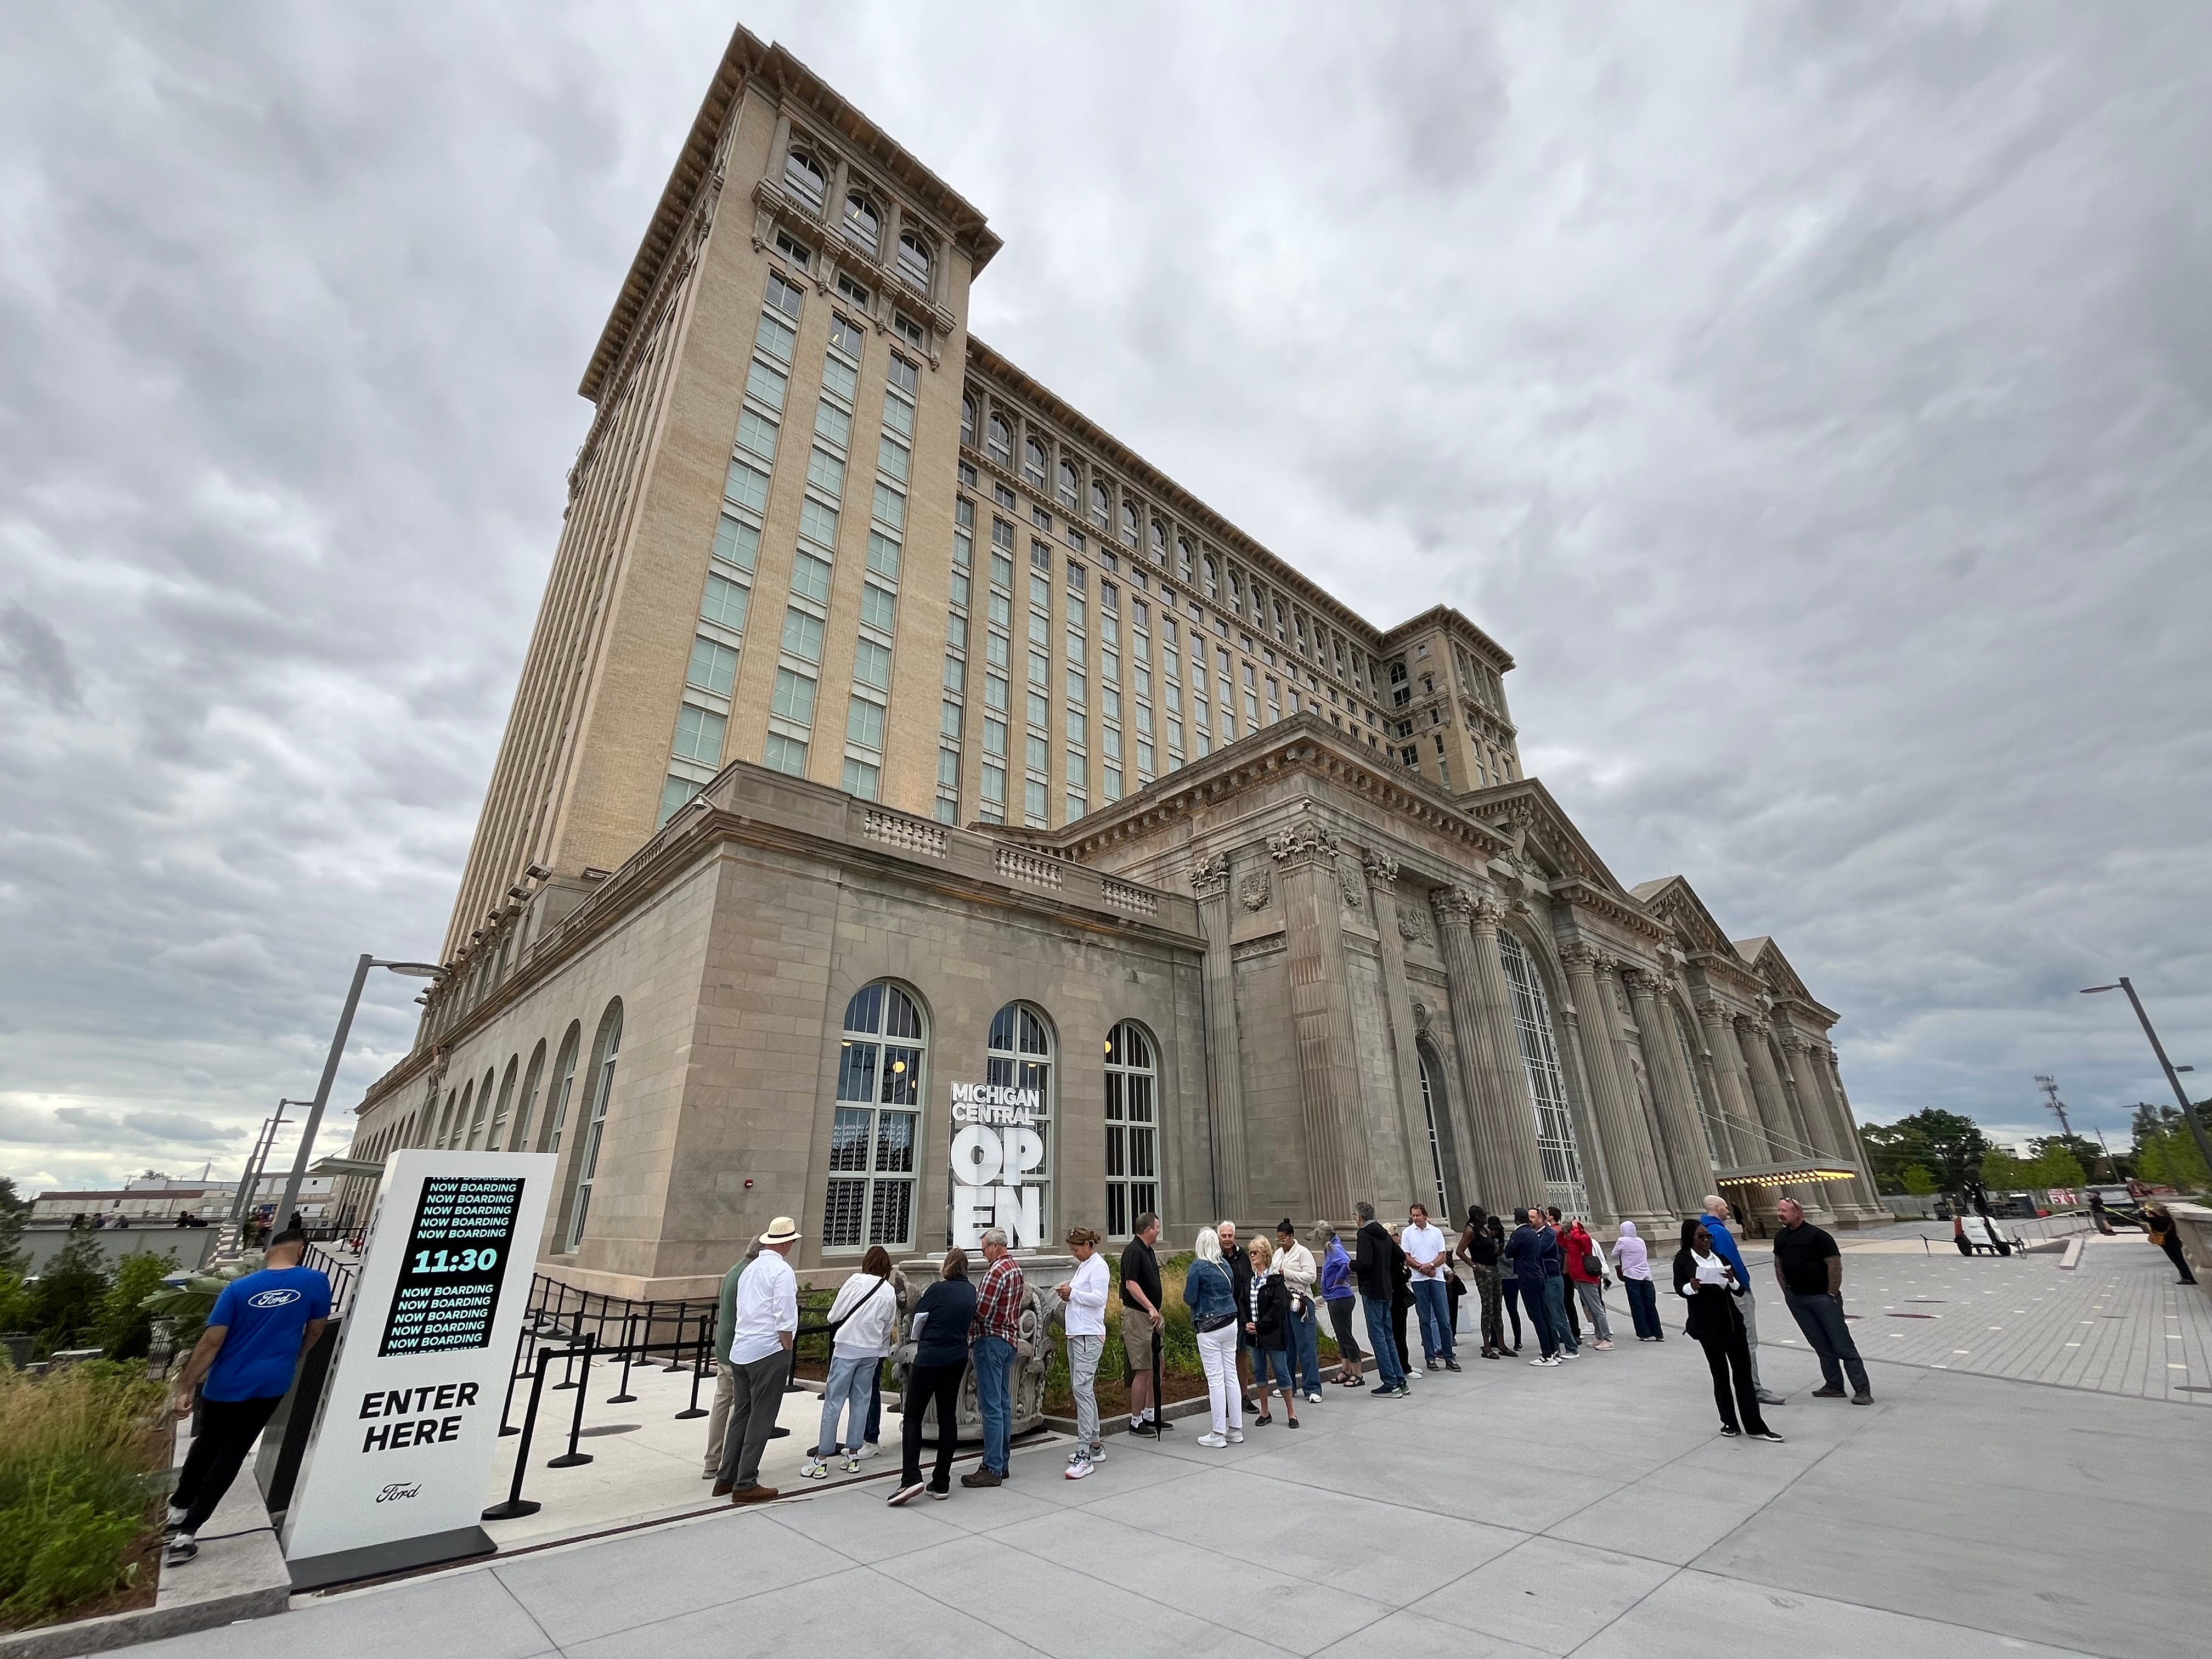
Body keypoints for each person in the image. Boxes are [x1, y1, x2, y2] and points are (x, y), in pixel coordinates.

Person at [165, 1229, 331, 1565]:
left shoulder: (238, 1289)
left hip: (226, 1383)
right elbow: (317, 1328)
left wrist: (185, 1387)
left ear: (269, 1252)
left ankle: (179, 1510)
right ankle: (188, 1535)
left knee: (207, 1443)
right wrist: (297, 1354)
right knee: (232, 1454)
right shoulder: (316, 1282)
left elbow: (211, 1342)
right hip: (271, 1382)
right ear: (300, 1251)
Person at [716, 1216, 801, 1503]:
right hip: (767, 1350)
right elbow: (785, 1314)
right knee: (761, 1418)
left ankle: (726, 1476)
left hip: (740, 1349)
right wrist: (787, 1349)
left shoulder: (749, 1270)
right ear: (787, 1243)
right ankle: (746, 1482)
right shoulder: (782, 1271)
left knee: (741, 1413)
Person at [1674, 1220, 1781, 1441]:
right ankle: (1729, 1423)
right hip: (1707, 1326)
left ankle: (1755, 1426)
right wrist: (1692, 1287)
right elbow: (1680, 1288)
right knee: (1720, 1375)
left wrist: (1731, 1281)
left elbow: (1740, 1290)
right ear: (1690, 1239)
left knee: (1743, 1375)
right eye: (1701, 1237)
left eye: (1708, 1237)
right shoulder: (1684, 1259)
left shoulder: (1720, 1259)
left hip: (1732, 1323)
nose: (1706, 1240)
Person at [889, 1250, 977, 1505]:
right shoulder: (970, 1291)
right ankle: (941, 1482)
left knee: (913, 1416)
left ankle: (910, 1477)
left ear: (947, 1267)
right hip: (957, 1357)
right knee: (948, 1418)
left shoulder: (937, 1290)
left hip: (930, 1357)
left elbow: (918, 1320)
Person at [804, 1245, 899, 1479]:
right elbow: (888, 1327)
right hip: (871, 1350)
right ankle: (854, 1455)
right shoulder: (889, 1291)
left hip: (848, 1347)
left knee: (834, 1402)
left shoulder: (856, 1281)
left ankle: (822, 1458)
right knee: (861, 1402)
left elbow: (833, 1315)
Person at [1771, 1197, 1873, 1403]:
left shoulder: (1818, 1236)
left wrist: (1831, 1293)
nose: (1781, 1214)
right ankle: (1834, 1385)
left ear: (1798, 1213)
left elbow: (1834, 1265)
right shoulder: (1781, 1237)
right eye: (1780, 1211)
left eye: (1785, 1211)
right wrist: (1787, 1293)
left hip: (1822, 1298)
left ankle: (1862, 1390)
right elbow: (1779, 1265)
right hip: (1798, 1299)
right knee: (1820, 1344)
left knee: (1842, 1344)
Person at [1701, 1195, 1785, 1404]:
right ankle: (1754, 1387)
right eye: (1725, 1207)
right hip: (1734, 1292)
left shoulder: (1701, 1230)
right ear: (1717, 1208)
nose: (1728, 1211)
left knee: (1727, 1341)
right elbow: (1731, 1263)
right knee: (1748, 1340)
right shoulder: (1719, 1231)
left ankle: (1742, 1385)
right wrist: (1743, 1286)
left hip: (1715, 1295)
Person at [960, 1228, 1026, 1488]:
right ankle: (1002, 1462)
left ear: (997, 1247)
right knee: (1003, 1404)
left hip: (990, 1342)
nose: (984, 1253)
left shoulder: (996, 1272)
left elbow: (982, 1311)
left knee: (990, 1407)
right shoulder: (1016, 1270)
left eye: (985, 1248)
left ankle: (992, 1467)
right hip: (1009, 1341)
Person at [703, 1238, 760, 1477]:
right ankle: (731, 1463)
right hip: (739, 1350)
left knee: (722, 1402)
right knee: (741, 1407)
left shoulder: (733, 1270)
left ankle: (712, 1461)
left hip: (724, 1347)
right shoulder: (750, 1275)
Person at [1057, 1226, 1109, 1476]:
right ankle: (1095, 1445)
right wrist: (1071, 1294)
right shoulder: (1085, 1266)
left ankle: (1085, 1452)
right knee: (1082, 1390)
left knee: (1083, 1389)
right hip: (1077, 1333)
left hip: (1088, 1335)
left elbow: (1100, 1299)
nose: (1075, 1253)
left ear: (1088, 1245)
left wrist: (1073, 1293)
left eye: (1076, 1249)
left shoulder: (1098, 1266)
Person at [1184, 1224, 1244, 1445]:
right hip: (1230, 1320)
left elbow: (1190, 1297)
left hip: (1209, 1325)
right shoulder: (1225, 1265)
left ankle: (1218, 1433)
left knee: (1215, 1379)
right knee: (1231, 1374)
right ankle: (1235, 1428)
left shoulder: (1198, 1267)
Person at [1119, 1212, 1171, 1435]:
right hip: (1138, 1316)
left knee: (1157, 1364)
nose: (1159, 1231)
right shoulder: (1133, 1251)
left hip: (1152, 1316)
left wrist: (1155, 1310)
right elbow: (1131, 1284)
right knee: (1142, 1368)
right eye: (1157, 1227)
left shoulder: (1149, 1251)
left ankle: (1151, 1413)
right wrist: (1150, 1307)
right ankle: (1136, 1419)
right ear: (1148, 1229)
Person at [1352, 1202, 1409, 1396]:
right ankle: (1400, 1381)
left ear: (1360, 1217)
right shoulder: (1384, 1233)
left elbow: (1364, 1263)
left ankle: (1390, 1382)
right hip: (1387, 1289)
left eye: (1355, 1215)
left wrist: (1351, 1264)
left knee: (1378, 1337)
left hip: (1372, 1290)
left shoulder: (1364, 1235)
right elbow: (1400, 1255)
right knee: (1388, 1336)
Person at [1244, 1236, 1301, 1427]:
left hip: (1273, 1334)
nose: (1252, 1256)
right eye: (1250, 1253)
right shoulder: (1250, 1280)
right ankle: (1265, 1411)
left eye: (1255, 1253)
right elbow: (1243, 1303)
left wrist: (1260, 1325)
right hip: (1254, 1336)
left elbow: (1278, 1309)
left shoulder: (1275, 1280)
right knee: (1260, 1372)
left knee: (1281, 1371)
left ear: (1264, 1255)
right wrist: (1247, 1323)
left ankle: (1291, 1413)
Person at [1401, 1203, 1459, 1372]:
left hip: (1437, 1278)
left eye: (1418, 1215)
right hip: (1419, 1279)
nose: (1416, 1218)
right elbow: (1406, 1256)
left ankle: (1449, 1356)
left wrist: (1431, 1265)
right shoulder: (1408, 1233)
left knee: (1443, 1318)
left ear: (1425, 1215)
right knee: (1425, 1319)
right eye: (1413, 1215)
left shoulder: (1436, 1232)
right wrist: (1422, 1267)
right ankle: (1430, 1356)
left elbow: (1442, 1255)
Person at [1504, 1207, 1564, 1364]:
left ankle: (1547, 1354)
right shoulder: (1533, 1233)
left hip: (1527, 1277)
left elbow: (1508, 1251)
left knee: (1536, 1316)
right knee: (1544, 1315)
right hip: (1539, 1276)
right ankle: (1553, 1350)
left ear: (1517, 1220)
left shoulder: (1519, 1234)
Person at [1275, 1218, 1323, 1403]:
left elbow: (1311, 1277)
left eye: (1284, 1239)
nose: (1281, 1243)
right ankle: (1289, 1386)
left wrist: (1287, 1273)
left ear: (1291, 1237)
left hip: (1301, 1301)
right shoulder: (1279, 1253)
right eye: (1278, 1240)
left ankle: (1312, 1387)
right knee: (1288, 1346)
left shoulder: (1303, 1253)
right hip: (1284, 1302)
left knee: (1306, 1345)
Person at [1317, 1222, 1365, 1386]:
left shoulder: (1335, 1249)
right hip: (1334, 1297)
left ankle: (1358, 1372)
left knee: (1345, 1334)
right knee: (1341, 1333)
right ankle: (1346, 1369)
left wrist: (1338, 1280)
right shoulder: (1332, 1248)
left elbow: (1347, 1263)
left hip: (1340, 1297)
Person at [1218, 1220, 1257, 1412]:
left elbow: (1250, 1283)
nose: (1227, 1239)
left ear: (1234, 1236)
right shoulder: (1215, 1258)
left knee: (1241, 1356)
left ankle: (1244, 1396)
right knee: (1224, 1359)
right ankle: (1225, 1399)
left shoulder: (1243, 1257)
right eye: (1224, 1236)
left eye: (1230, 1236)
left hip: (1241, 1315)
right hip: (1221, 1315)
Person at [1458, 1205, 1505, 1358]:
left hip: (1494, 1269)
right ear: (1477, 1216)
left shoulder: (1484, 1230)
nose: (1486, 1218)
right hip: (1483, 1270)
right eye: (1484, 1215)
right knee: (1488, 1307)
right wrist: (1473, 1265)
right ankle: (1486, 1346)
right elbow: (1460, 1251)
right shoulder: (1470, 1230)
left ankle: (1501, 1343)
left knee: (1498, 1306)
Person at [1562, 1217, 1615, 1350]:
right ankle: (1599, 1336)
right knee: (1591, 1308)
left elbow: (1580, 1239)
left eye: (1567, 1232)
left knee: (1597, 1309)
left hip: (1587, 1277)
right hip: (1578, 1278)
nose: (1567, 1236)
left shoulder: (1583, 1238)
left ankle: (1607, 1338)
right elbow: (1559, 1240)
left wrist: (1574, 1228)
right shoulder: (1571, 1241)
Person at [1538, 1207, 1579, 1358]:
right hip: (1547, 1277)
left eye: (1533, 1217)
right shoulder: (1543, 1234)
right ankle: (1555, 1347)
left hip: (1553, 1277)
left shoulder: (1550, 1234)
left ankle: (1571, 1348)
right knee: (1550, 1315)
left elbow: (1540, 1250)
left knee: (1558, 1314)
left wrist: (1565, 1270)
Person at [1615, 1221, 1662, 1342]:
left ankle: (1644, 1333)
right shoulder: (1641, 1241)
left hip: (1631, 1275)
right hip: (1646, 1275)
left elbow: (1614, 1253)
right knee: (1650, 1305)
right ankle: (1658, 1333)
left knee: (1637, 1305)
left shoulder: (1622, 1241)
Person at [1489, 1213, 1524, 1353]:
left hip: (1510, 1278)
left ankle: (1518, 1340)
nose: (1495, 1232)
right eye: (1493, 1229)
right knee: (1494, 1310)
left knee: (1512, 1309)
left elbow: (1512, 1259)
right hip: (1496, 1278)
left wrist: (1501, 1253)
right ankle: (1494, 1340)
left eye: (1497, 1229)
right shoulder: (1489, 1241)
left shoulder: (1507, 1240)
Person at [2143, 1203, 2197, 1285]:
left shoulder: (2158, 1221)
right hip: (2175, 1241)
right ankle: (2187, 1277)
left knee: (2178, 1261)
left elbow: (2144, 1218)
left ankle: (2187, 1277)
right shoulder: (2169, 1219)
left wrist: (2143, 1211)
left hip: (2168, 1243)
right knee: (2180, 1260)